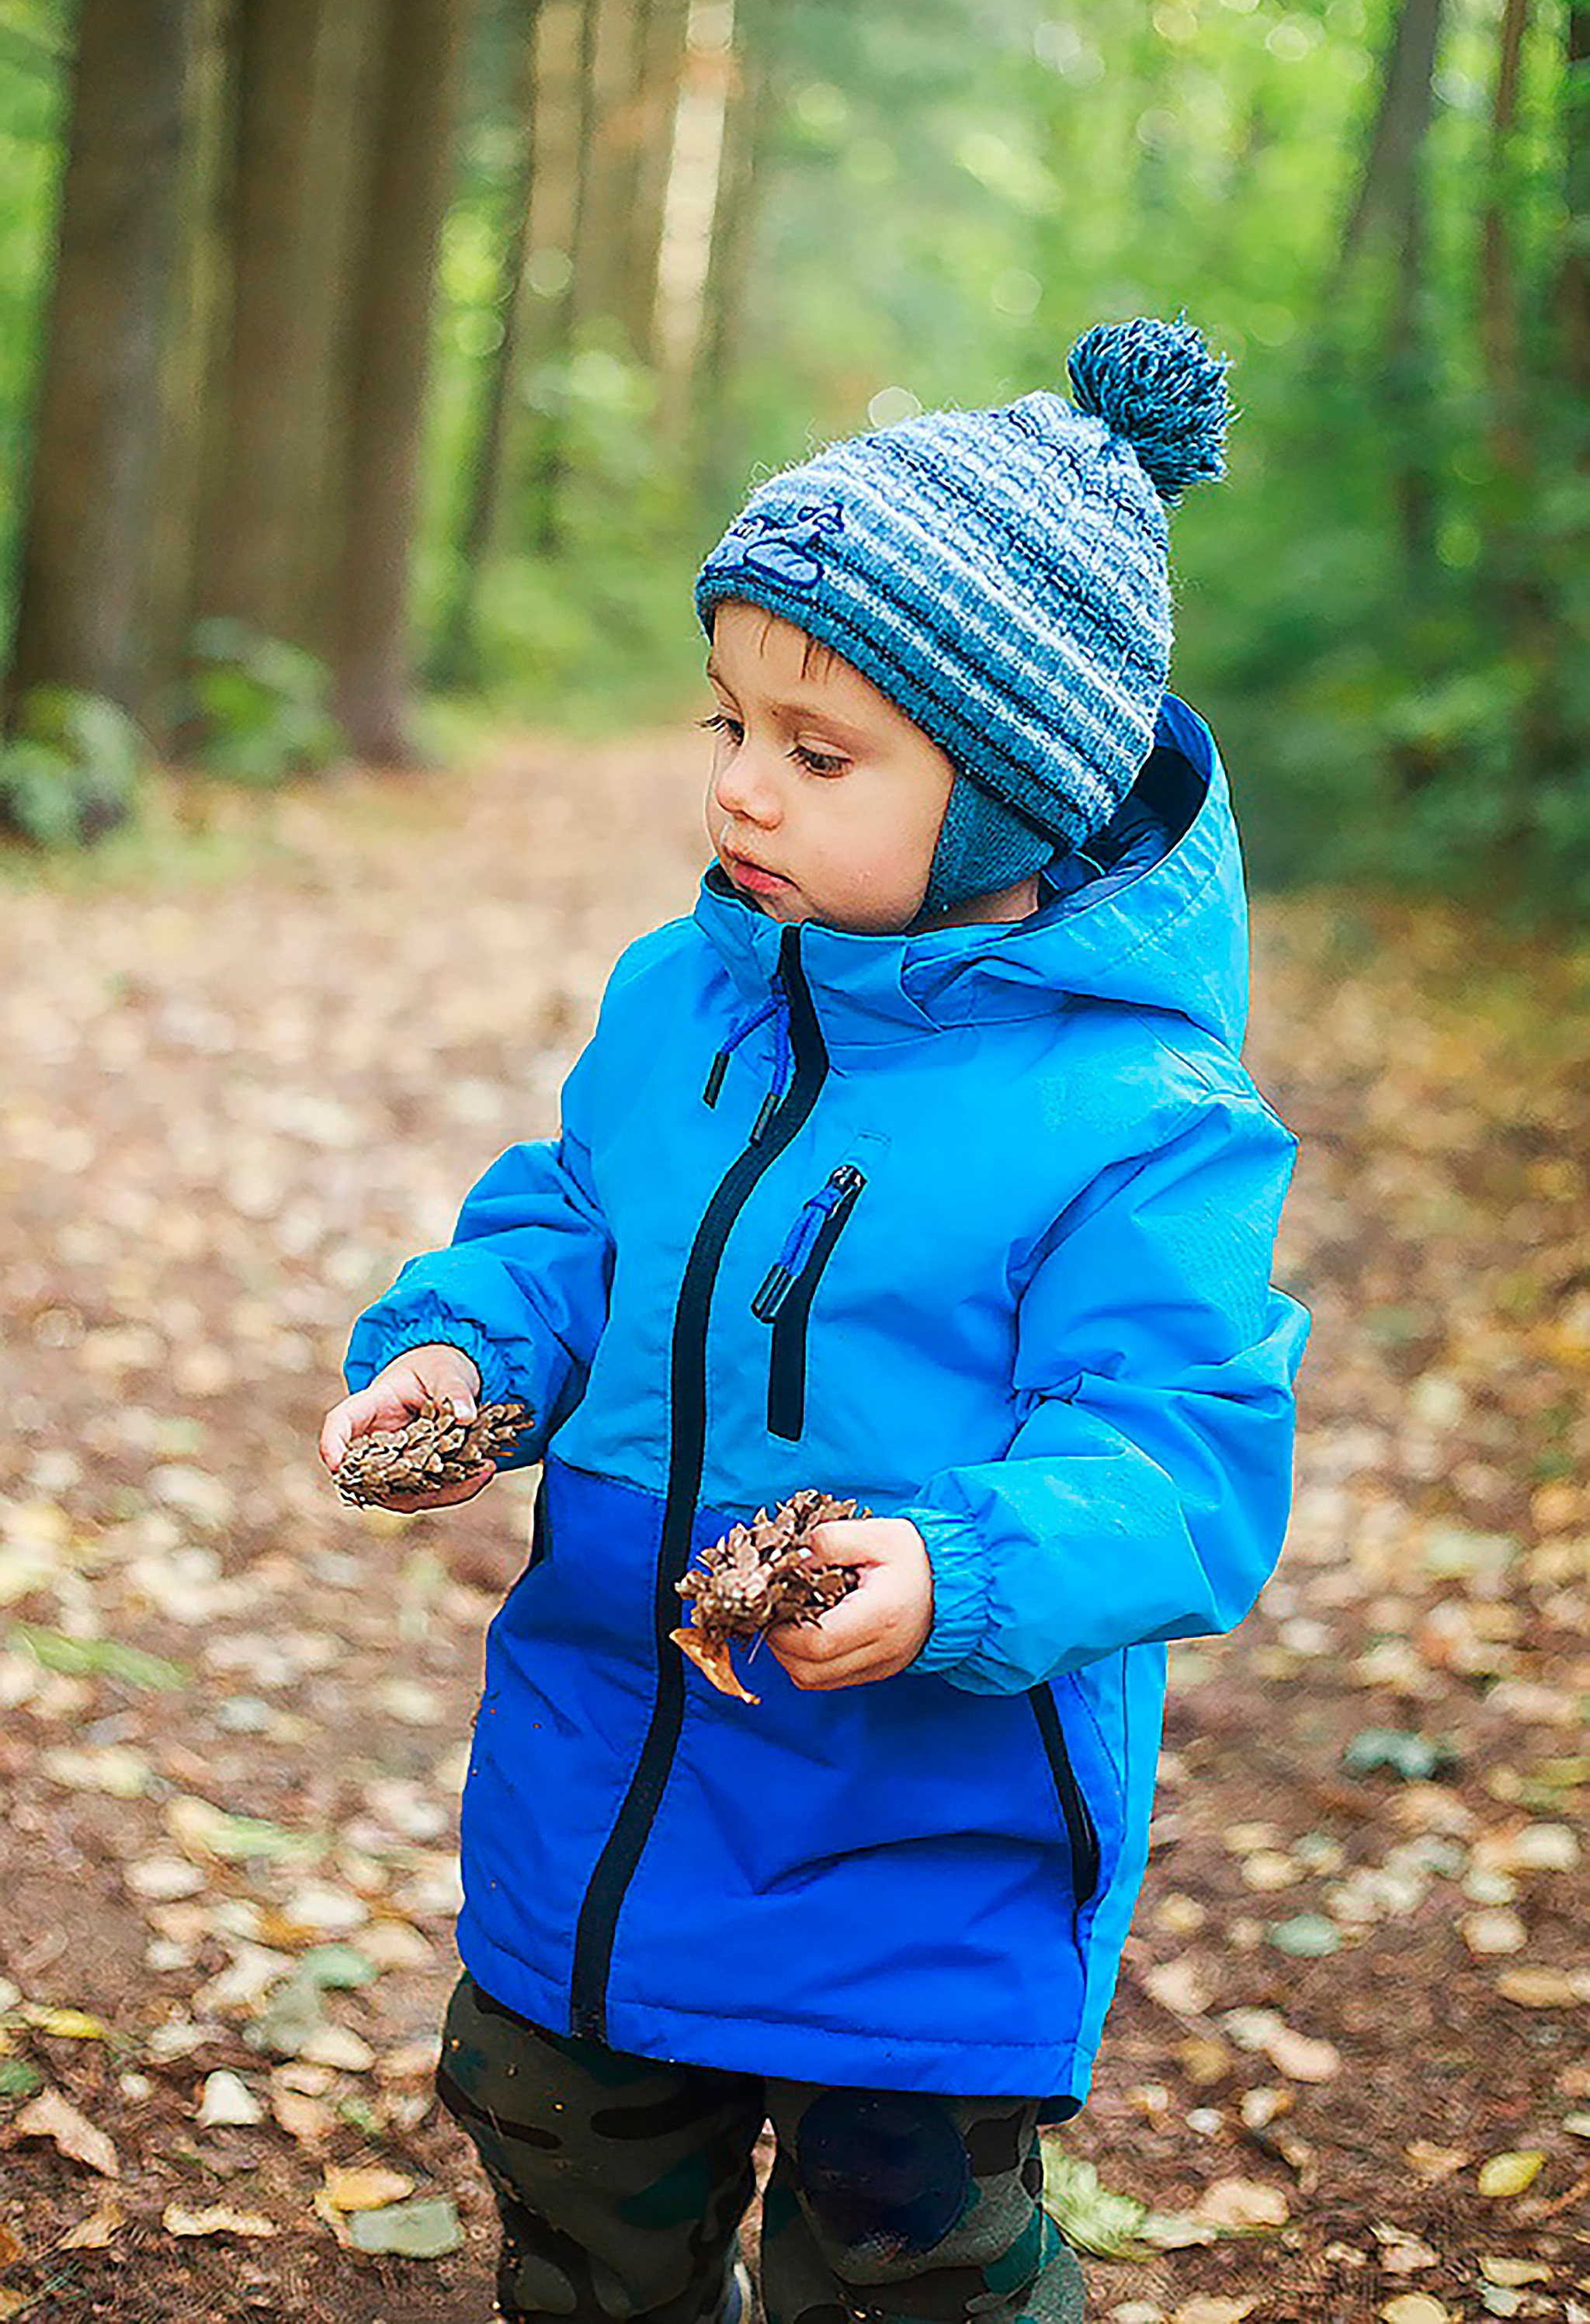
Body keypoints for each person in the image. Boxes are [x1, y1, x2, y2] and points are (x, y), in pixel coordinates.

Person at [320, 314, 1311, 2324]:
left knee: (908, 2263)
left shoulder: (1141, 1125)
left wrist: (956, 1567)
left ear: (1014, 793)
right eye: (727, 725)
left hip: (920, 1821)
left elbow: (1187, 1456)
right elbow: (578, 1228)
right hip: (614, 1755)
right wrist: (466, 1355)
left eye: (819, 751)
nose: (742, 789)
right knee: (571, 2168)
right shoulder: (689, 998)